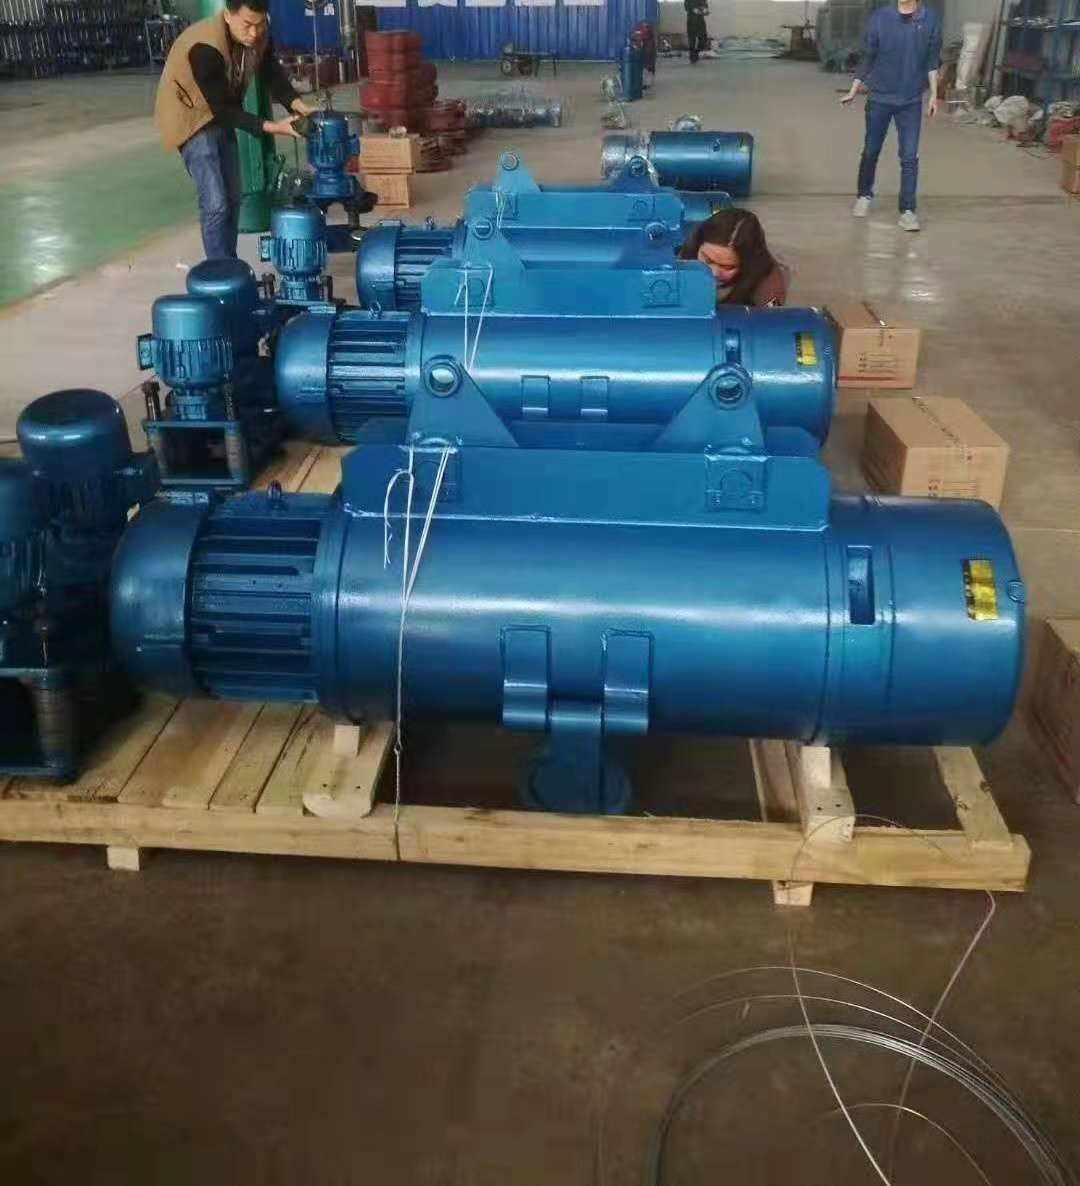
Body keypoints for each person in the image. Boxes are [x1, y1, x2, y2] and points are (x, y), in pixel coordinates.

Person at [154, 0, 316, 259]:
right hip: (190, 115)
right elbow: (222, 109)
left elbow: (270, 71)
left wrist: (298, 105)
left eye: (260, 24)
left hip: (221, 110)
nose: (254, 33)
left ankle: (229, 263)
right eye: (248, 25)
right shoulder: (204, 47)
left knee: (233, 197)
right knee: (216, 202)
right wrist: (274, 127)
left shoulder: (259, 33)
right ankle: (220, 272)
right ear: (228, 15)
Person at [841, 0, 941, 232]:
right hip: (879, 98)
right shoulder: (880, 18)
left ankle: (908, 211)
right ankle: (864, 195)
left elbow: (932, 61)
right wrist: (853, 90)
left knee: (909, 156)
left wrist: (934, 95)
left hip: (910, 101)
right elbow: (868, 57)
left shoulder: (929, 19)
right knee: (871, 150)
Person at [679, 209, 788, 308]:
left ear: (747, 265)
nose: (714, 273)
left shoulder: (769, 285)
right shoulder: (687, 253)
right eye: (708, 260)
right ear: (698, 246)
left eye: (727, 267)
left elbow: (771, 319)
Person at [685, 0, 709, 65]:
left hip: (700, 21)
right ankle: (692, 57)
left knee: (704, 39)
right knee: (692, 40)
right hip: (692, 21)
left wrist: (705, 10)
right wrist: (699, 10)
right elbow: (687, 7)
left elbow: (705, 6)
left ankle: (696, 53)